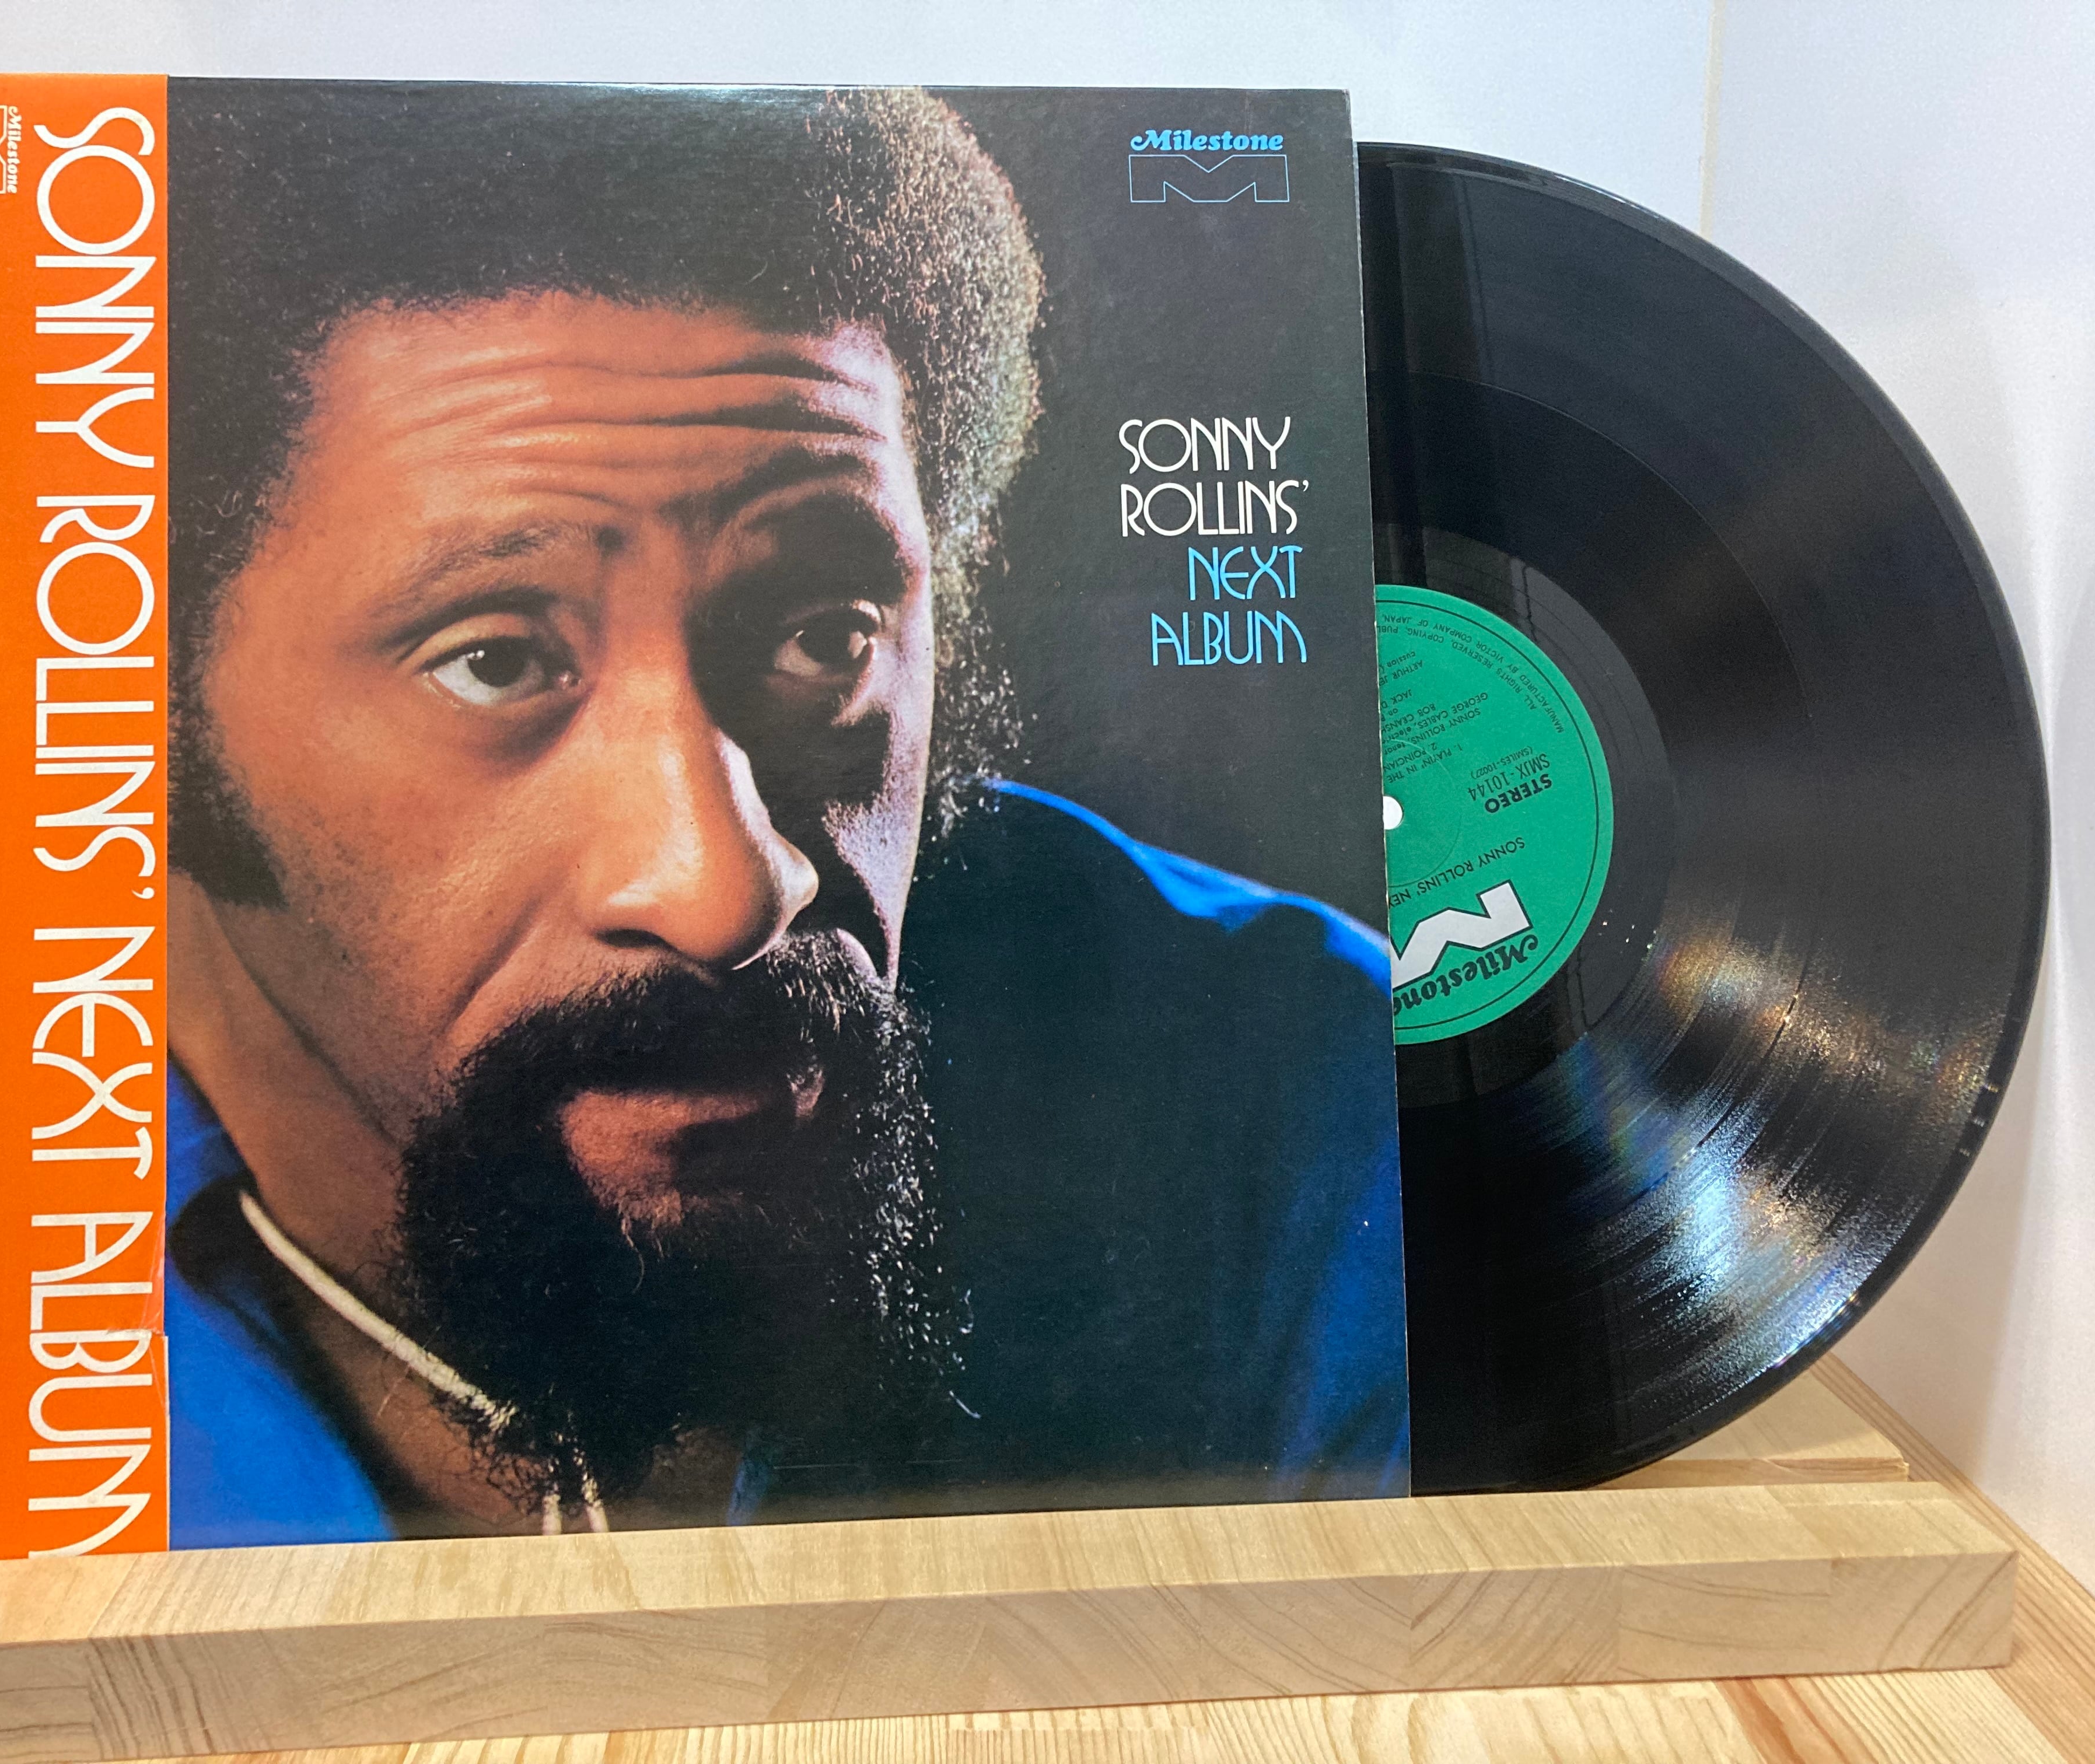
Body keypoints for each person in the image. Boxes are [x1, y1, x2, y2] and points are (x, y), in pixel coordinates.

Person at [155, 83, 1407, 1545]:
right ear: (162, 710)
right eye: (494, 659)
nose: (729, 891)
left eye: (824, 637)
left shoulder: (1291, 1086)